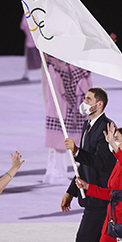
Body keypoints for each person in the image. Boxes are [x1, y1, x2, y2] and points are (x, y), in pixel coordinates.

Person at [36, 88, 122, 242]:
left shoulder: (108, 128)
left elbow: (102, 163)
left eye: (88, 99)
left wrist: (77, 151)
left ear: (100, 105)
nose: (83, 101)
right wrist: (71, 190)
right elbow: (84, 165)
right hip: (92, 195)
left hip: (101, 198)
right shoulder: (89, 125)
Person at [42, 53, 92, 185]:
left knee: (63, 138)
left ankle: (52, 172)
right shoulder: (56, 65)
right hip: (62, 105)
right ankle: (58, 173)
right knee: (61, 138)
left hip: (71, 105)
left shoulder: (71, 66)